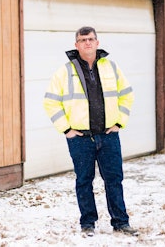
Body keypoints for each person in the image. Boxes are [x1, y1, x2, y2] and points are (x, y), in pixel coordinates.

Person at [43, 26, 137, 237]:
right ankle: (88, 223)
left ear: (97, 42)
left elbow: (127, 95)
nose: (87, 43)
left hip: (108, 136)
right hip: (80, 138)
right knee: (84, 181)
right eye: (83, 39)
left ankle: (121, 222)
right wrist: (66, 129)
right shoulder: (65, 71)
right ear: (76, 45)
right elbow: (51, 102)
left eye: (91, 39)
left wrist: (119, 123)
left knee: (114, 180)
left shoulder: (112, 68)